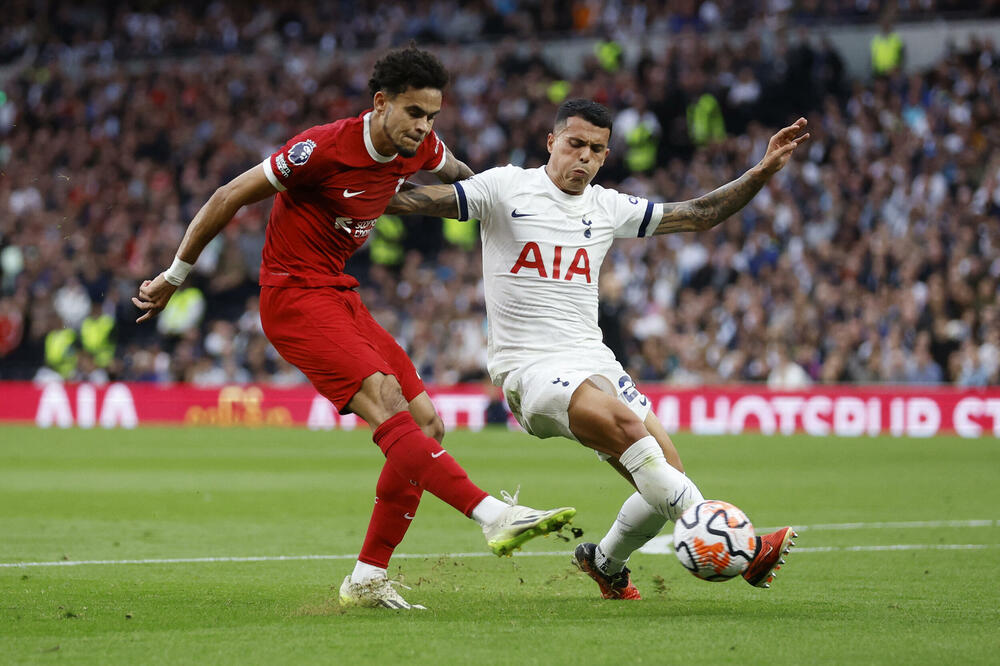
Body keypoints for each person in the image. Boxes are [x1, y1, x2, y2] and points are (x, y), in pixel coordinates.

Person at [132, 47, 575, 611]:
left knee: (427, 424)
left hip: (339, 293)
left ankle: (367, 576)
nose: (423, 127)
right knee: (387, 401)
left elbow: (466, 177)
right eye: (414, 112)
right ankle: (494, 515)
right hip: (292, 295)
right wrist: (175, 276)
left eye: (433, 116)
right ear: (381, 102)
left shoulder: (422, 146)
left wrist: (523, 200)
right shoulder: (319, 148)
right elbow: (228, 196)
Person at [386, 99, 808, 599]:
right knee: (635, 437)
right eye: (575, 144)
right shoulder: (505, 188)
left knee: (664, 476)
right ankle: (743, 546)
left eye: (597, 150)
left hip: (594, 359)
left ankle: (605, 562)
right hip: (531, 370)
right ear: (552, 142)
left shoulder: (606, 206)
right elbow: (415, 201)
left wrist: (760, 171)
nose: (584, 157)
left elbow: (698, 215)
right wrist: (351, 178)